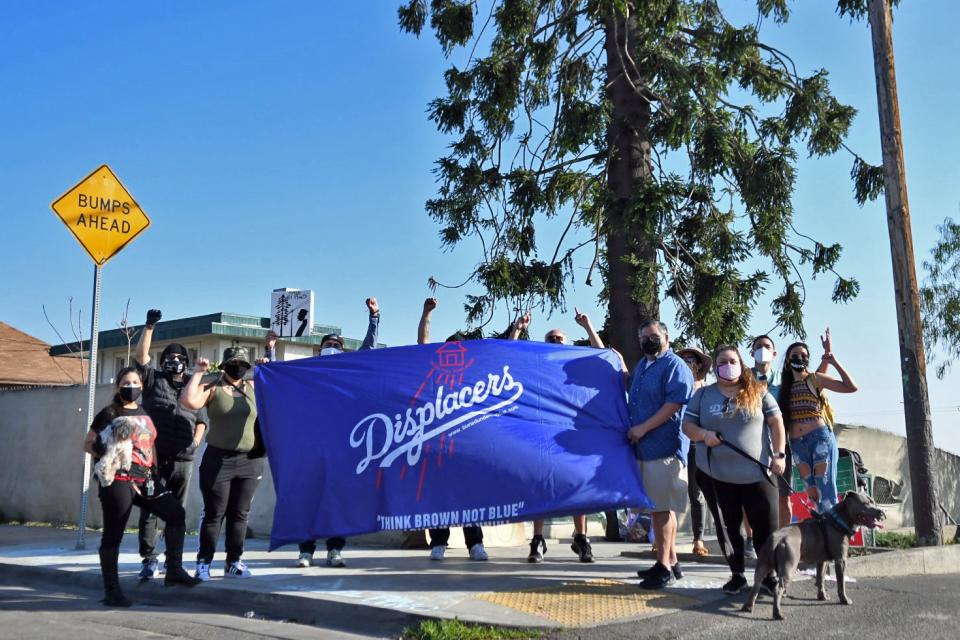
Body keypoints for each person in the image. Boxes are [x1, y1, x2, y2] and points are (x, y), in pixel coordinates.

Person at [83, 367, 200, 607]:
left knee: (176, 513)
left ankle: (174, 570)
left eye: (136, 382)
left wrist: (154, 473)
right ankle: (112, 591)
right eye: (126, 382)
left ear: (142, 386)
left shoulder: (144, 412)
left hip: (144, 477)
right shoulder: (109, 413)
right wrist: (109, 456)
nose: (132, 386)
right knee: (113, 533)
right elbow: (88, 443)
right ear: (118, 386)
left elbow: (150, 445)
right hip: (119, 477)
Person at [682, 346, 786, 595]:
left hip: (758, 473)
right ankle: (737, 575)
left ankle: (768, 576)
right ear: (715, 367)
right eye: (722, 361)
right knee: (728, 527)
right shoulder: (703, 395)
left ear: (741, 364)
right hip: (716, 475)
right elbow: (687, 425)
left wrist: (779, 454)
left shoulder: (758, 391)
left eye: (732, 361)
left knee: (766, 527)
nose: (728, 365)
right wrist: (704, 434)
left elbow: (776, 422)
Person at [295, 297, 381, 568]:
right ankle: (305, 551)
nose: (331, 348)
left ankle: (335, 549)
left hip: (342, 447)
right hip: (312, 447)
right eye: (327, 345)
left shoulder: (346, 372)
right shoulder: (307, 373)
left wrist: (374, 318)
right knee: (309, 500)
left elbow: (368, 350)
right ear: (318, 350)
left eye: (336, 346)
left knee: (337, 501)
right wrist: (270, 352)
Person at [509, 309, 599, 564]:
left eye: (560, 338)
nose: (556, 341)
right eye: (551, 338)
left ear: (568, 343)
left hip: (571, 433)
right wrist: (518, 329)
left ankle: (581, 537)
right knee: (540, 485)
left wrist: (588, 327)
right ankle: (538, 540)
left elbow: (603, 357)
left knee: (577, 483)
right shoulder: (537, 363)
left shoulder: (576, 364)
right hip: (542, 433)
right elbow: (507, 356)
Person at [133, 309, 209, 580]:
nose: (174, 361)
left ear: (185, 363)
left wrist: (197, 442)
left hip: (183, 460)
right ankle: (149, 559)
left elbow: (202, 418)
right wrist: (150, 326)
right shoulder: (154, 380)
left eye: (179, 358)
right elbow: (141, 358)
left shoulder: (192, 385)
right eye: (169, 357)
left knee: (177, 513)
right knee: (151, 509)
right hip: (154, 459)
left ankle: (173, 564)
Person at [181, 347, 265, 580]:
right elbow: (189, 401)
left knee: (240, 514)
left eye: (242, 364)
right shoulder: (212, 389)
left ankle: (234, 561)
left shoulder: (254, 388)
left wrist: (268, 363)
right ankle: (204, 562)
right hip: (219, 459)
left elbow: (282, 389)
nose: (237, 367)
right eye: (233, 363)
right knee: (214, 513)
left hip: (250, 460)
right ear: (224, 366)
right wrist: (198, 372)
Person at [417, 297, 487, 561]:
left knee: (469, 494)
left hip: (467, 442)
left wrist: (515, 331)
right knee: (439, 493)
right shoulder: (435, 372)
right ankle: (438, 541)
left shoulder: (474, 375)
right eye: (450, 348)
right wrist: (427, 314)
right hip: (439, 442)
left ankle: (475, 543)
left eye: (459, 348)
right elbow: (423, 345)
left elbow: (506, 358)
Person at [628, 320, 694, 589]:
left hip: (664, 447)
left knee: (663, 508)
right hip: (644, 448)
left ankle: (664, 567)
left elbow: (675, 403)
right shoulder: (642, 366)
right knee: (656, 508)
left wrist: (643, 427)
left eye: (653, 336)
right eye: (643, 337)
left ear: (666, 337)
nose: (648, 340)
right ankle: (669, 561)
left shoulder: (674, 365)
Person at [777, 334, 857, 513]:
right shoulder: (785, 387)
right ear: (788, 360)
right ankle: (823, 532)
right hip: (797, 444)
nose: (800, 358)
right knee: (812, 492)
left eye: (804, 355)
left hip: (819, 439)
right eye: (795, 355)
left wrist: (832, 360)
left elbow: (851, 387)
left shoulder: (815, 379)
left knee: (826, 487)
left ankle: (834, 535)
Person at [677, 346, 711, 557]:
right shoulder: (675, 386)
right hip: (675, 442)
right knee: (672, 489)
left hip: (698, 443)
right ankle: (663, 538)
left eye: (692, 359)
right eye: (685, 359)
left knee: (697, 493)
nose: (688, 362)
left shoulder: (707, 389)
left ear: (699, 365)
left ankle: (698, 539)